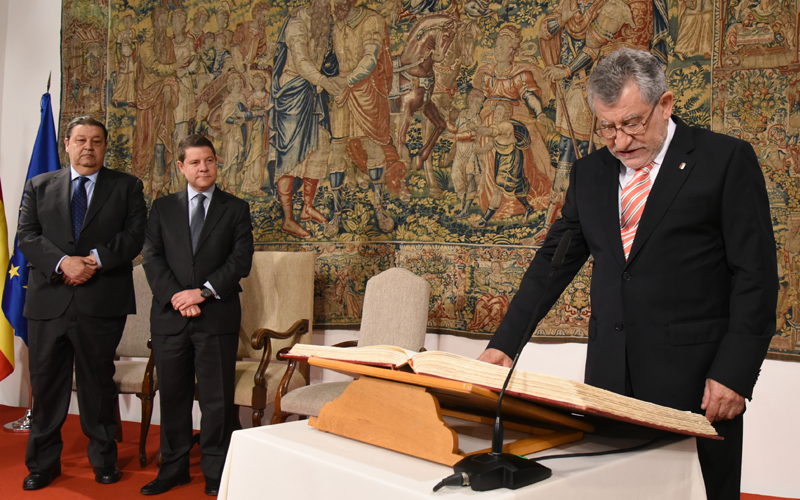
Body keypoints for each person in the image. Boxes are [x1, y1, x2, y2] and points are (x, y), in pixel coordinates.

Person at [477, 48, 778, 500]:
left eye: (631, 123)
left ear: (665, 104)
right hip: (609, 382)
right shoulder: (589, 174)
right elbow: (552, 265)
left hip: (695, 383)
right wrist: (505, 344)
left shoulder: (725, 160)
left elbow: (756, 276)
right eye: (607, 127)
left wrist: (734, 374)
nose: (619, 141)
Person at [17, 115, 147, 490]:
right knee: (46, 387)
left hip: (101, 301)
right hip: (49, 301)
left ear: (105, 146)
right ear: (67, 144)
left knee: (97, 384)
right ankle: (42, 464)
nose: (88, 147)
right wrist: (63, 263)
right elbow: (27, 235)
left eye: (96, 141)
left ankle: (104, 460)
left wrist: (93, 261)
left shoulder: (127, 187)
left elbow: (134, 235)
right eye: (80, 140)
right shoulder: (39, 186)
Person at [141, 134, 253, 496]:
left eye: (209, 160)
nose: (203, 168)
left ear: (217, 162)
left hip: (216, 317)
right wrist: (178, 297)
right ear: (181, 167)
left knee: (216, 400)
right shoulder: (162, 208)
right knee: (172, 397)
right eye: (194, 162)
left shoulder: (236, 208)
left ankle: (216, 472)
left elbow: (240, 260)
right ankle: (173, 469)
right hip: (170, 318)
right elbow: (152, 257)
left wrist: (202, 293)